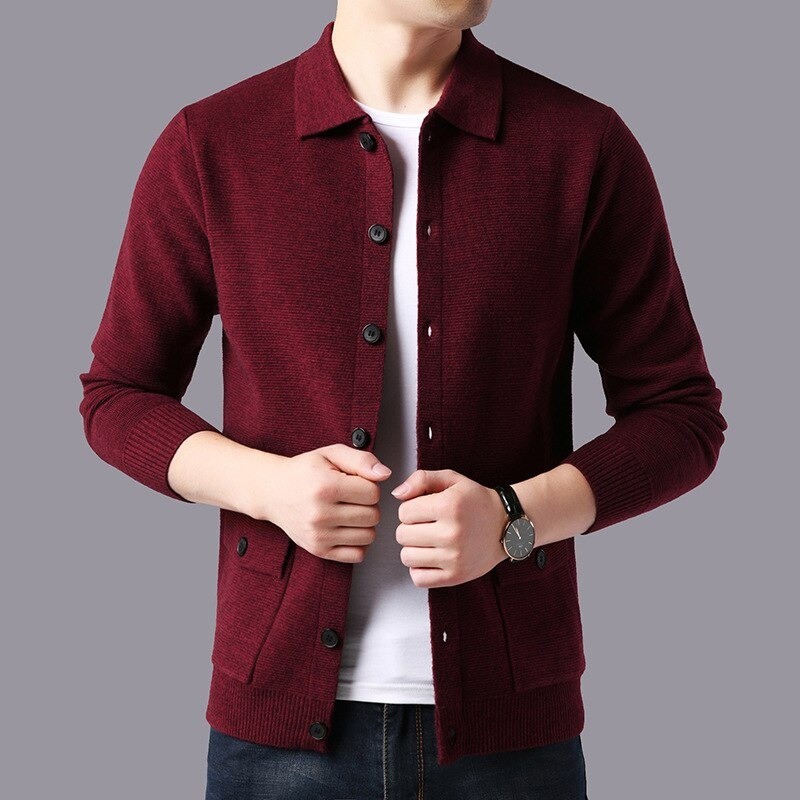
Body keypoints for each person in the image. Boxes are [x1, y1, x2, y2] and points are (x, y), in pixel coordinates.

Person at [78, 1, 727, 797]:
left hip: (510, 734)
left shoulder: (579, 144)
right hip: (277, 732)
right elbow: (119, 395)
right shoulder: (214, 143)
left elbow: (681, 414)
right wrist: (269, 489)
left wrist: (513, 520)